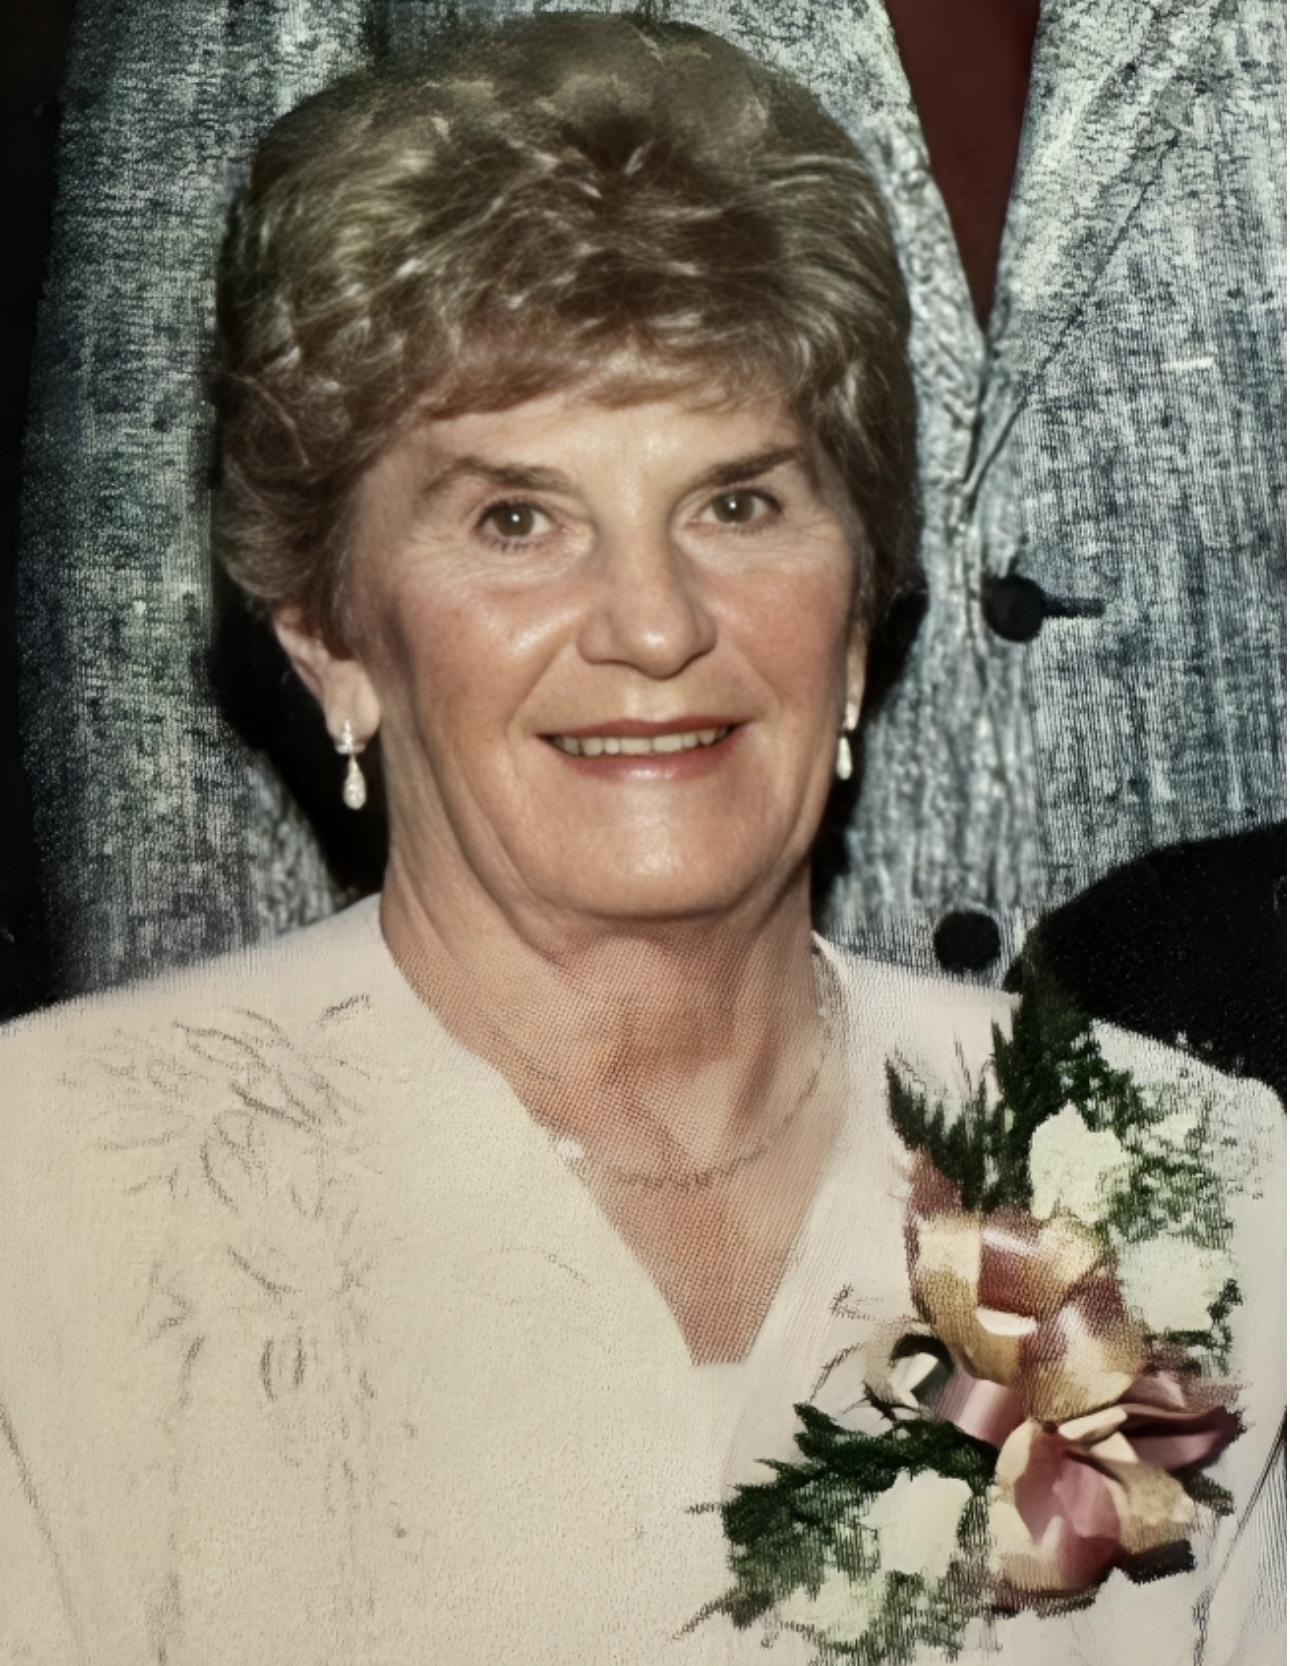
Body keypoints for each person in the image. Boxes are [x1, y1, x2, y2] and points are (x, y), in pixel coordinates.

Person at [0, 16, 1281, 1664]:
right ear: (328, 636)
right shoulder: (52, 1200)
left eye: (736, 503)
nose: (655, 623)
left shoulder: (1192, 1175)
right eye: (515, 517)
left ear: (857, 610)